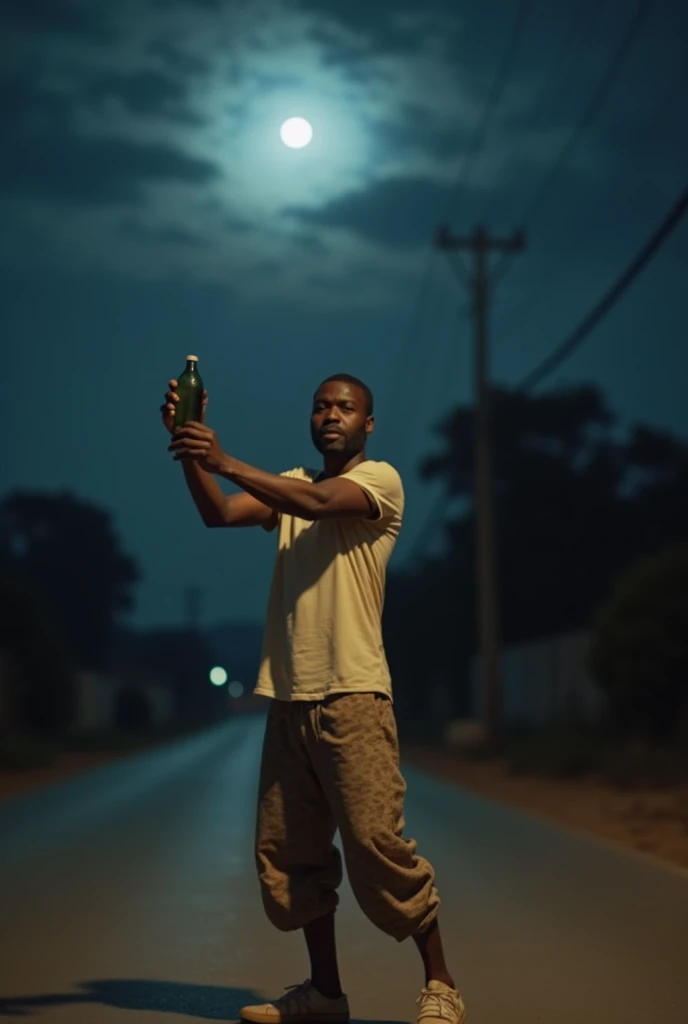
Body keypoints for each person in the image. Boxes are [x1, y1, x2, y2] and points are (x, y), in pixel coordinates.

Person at [161, 373, 467, 1024]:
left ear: (368, 424)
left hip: (354, 697)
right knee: (292, 856)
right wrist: (192, 454)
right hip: (289, 698)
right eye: (322, 406)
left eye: (346, 407)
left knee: (377, 848)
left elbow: (319, 503)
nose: (332, 414)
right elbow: (218, 512)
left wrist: (227, 460)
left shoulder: (378, 482)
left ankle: (441, 984)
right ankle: (325, 995)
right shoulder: (289, 484)